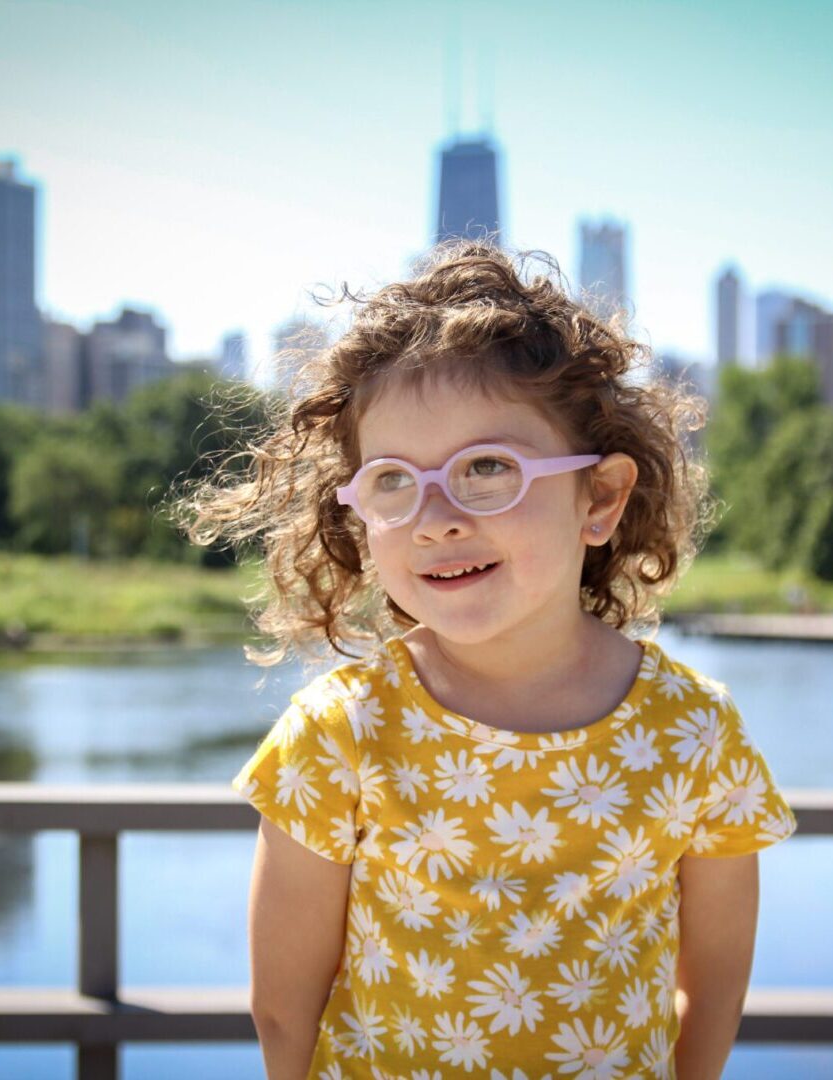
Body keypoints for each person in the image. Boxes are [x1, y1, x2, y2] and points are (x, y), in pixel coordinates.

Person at [180, 241, 797, 1079]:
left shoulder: (693, 731)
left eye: (487, 469)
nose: (434, 518)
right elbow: (283, 1009)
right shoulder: (341, 731)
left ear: (601, 498)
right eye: (393, 482)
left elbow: (715, 990)